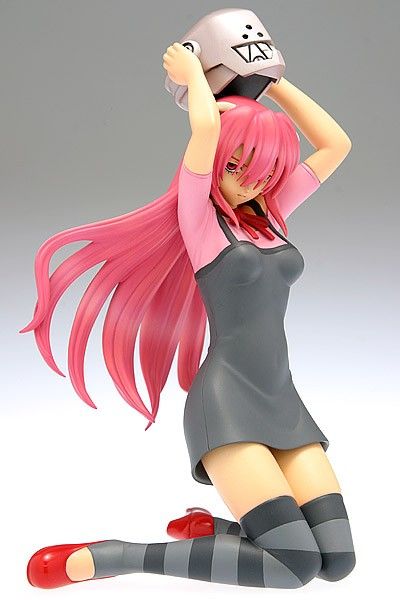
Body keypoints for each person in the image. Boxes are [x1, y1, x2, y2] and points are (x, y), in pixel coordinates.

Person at [24, 42, 355, 589]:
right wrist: (196, 79)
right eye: (235, 164)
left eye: (263, 167)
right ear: (216, 163)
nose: (249, 179)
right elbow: (204, 130)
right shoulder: (201, 222)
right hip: (227, 402)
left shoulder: (271, 215)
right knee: (295, 567)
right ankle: (115, 555)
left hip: (282, 396)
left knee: (336, 561)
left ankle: (211, 531)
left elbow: (336, 144)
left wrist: (269, 81)